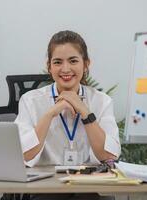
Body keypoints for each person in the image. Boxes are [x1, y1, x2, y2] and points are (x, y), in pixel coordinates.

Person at [15, 30, 121, 168]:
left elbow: (109, 156)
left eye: (73, 61)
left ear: (86, 64)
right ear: (49, 67)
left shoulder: (102, 101)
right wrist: (49, 114)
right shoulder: (30, 101)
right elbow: (22, 155)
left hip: (86, 184)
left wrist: (85, 112)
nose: (65, 69)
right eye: (58, 62)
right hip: (44, 185)